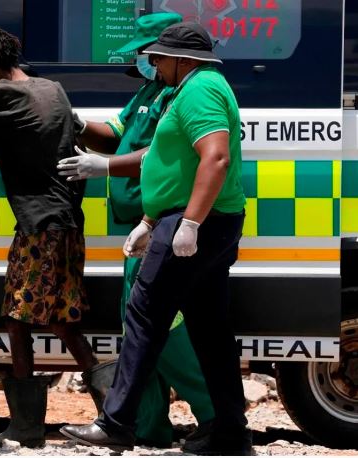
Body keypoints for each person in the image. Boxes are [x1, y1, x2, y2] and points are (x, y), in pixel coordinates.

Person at [59, 22, 251, 455]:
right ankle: (230, 432)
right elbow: (171, 160)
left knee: (144, 316)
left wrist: (190, 223)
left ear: (183, 59)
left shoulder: (200, 89)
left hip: (195, 221)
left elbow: (215, 158)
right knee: (210, 331)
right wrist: (149, 220)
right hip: (191, 219)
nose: (153, 64)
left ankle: (116, 423)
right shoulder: (185, 90)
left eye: (159, 57)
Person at [0, 26, 98, 448]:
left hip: (39, 225)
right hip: (68, 221)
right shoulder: (53, 89)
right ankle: (115, 412)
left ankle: (25, 425)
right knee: (61, 319)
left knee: (16, 316)